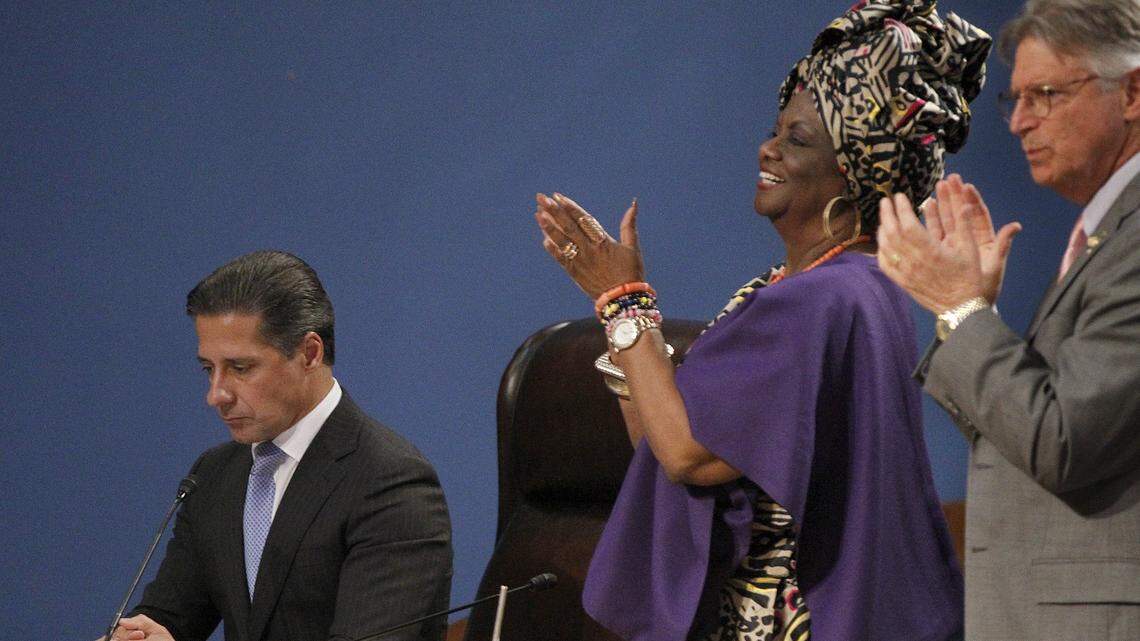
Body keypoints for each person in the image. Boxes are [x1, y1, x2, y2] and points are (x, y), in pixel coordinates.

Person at [533, 2, 990, 639]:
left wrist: (623, 305)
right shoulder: (830, 288)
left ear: (854, 170)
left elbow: (688, 457)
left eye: (797, 140)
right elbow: (671, 445)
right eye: (776, 129)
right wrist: (627, 320)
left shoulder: (825, 299)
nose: (767, 148)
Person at [875, 0, 1140, 638]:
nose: (1020, 122)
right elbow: (1023, 437)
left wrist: (959, 309)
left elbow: (1061, 441)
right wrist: (975, 314)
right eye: (1016, 99)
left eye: (1046, 94)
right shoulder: (1108, 230)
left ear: (1132, 92)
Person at [106, 250, 453, 641]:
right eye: (208, 369)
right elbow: (170, 616)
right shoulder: (214, 475)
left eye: (240, 368)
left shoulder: (390, 483)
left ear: (309, 354)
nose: (216, 394)